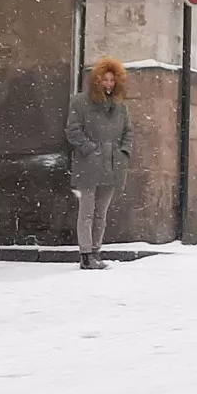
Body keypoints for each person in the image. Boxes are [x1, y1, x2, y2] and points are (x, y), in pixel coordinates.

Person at [65, 57, 133, 270]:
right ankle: (85, 254)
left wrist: (123, 152)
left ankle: (96, 250)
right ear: (97, 80)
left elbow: (128, 132)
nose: (109, 84)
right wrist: (91, 149)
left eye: (112, 80)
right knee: (86, 210)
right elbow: (73, 131)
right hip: (89, 164)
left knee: (101, 213)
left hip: (112, 164)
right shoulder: (80, 102)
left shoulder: (120, 107)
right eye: (105, 80)